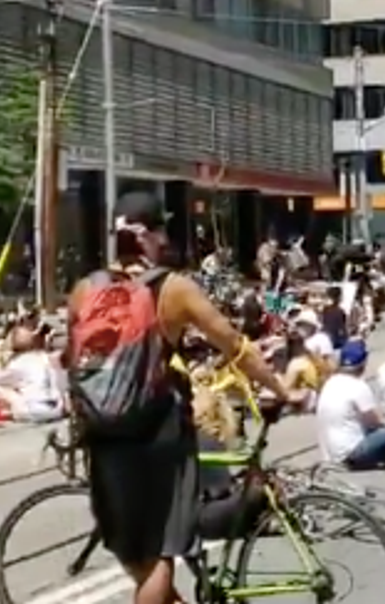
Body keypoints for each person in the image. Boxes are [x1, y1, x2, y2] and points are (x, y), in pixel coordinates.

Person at [65, 191, 290, 604]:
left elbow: (73, 361)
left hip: (104, 433)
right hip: (157, 434)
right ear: (151, 236)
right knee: (159, 550)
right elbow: (234, 345)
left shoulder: (84, 290)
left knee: (132, 550)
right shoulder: (173, 288)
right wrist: (280, 388)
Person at [315, 339, 385, 470]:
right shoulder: (358, 386)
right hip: (352, 453)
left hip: (330, 455)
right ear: (363, 363)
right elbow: (377, 422)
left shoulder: (330, 382)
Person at [0, 326, 64, 424]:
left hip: (34, 410)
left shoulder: (17, 363)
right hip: (57, 408)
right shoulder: (44, 356)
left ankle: (10, 412)